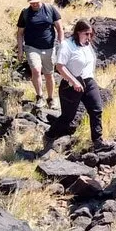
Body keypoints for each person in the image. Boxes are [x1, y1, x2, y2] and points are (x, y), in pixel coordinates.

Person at [44, 19, 108, 149]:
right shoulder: (67, 45)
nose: (89, 37)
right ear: (78, 32)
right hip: (70, 84)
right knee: (68, 117)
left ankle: (98, 141)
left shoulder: (87, 45)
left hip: (88, 81)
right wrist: (74, 82)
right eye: (86, 34)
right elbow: (60, 66)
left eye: (91, 34)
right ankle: (49, 135)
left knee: (96, 110)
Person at [16, 0, 63, 108]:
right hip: (32, 47)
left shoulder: (50, 9)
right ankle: (39, 96)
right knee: (36, 70)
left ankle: (51, 99)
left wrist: (61, 44)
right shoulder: (25, 13)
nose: (34, 4)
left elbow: (59, 28)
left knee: (49, 74)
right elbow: (20, 33)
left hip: (49, 48)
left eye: (36, 2)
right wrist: (20, 50)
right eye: (32, 3)